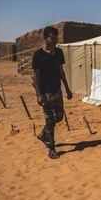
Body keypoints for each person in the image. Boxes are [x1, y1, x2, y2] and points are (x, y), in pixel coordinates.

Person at [32, 26, 72, 159]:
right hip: (45, 92)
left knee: (59, 117)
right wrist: (38, 94)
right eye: (52, 38)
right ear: (45, 38)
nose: (55, 41)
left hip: (57, 90)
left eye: (56, 38)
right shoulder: (38, 55)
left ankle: (44, 134)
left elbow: (61, 71)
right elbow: (36, 75)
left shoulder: (59, 53)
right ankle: (52, 148)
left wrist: (67, 88)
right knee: (49, 121)